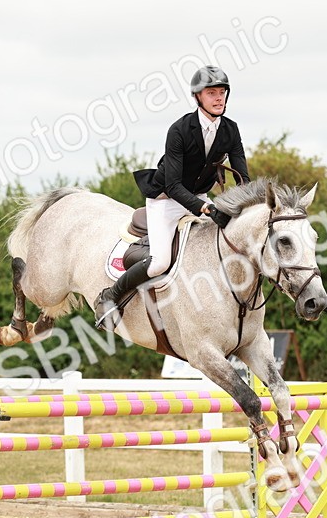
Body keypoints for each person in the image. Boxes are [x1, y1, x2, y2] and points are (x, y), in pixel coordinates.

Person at [94, 65, 252, 329]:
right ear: (198, 97)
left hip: (200, 196)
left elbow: (243, 177)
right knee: (159, 263)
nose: (219, 98)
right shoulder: (179, 130)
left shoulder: (230, 130)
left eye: (222, 92)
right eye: (211, 93)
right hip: (166, 199)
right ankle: (111, 295)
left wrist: (247, 207)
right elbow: (174, 185)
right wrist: (206, 209)